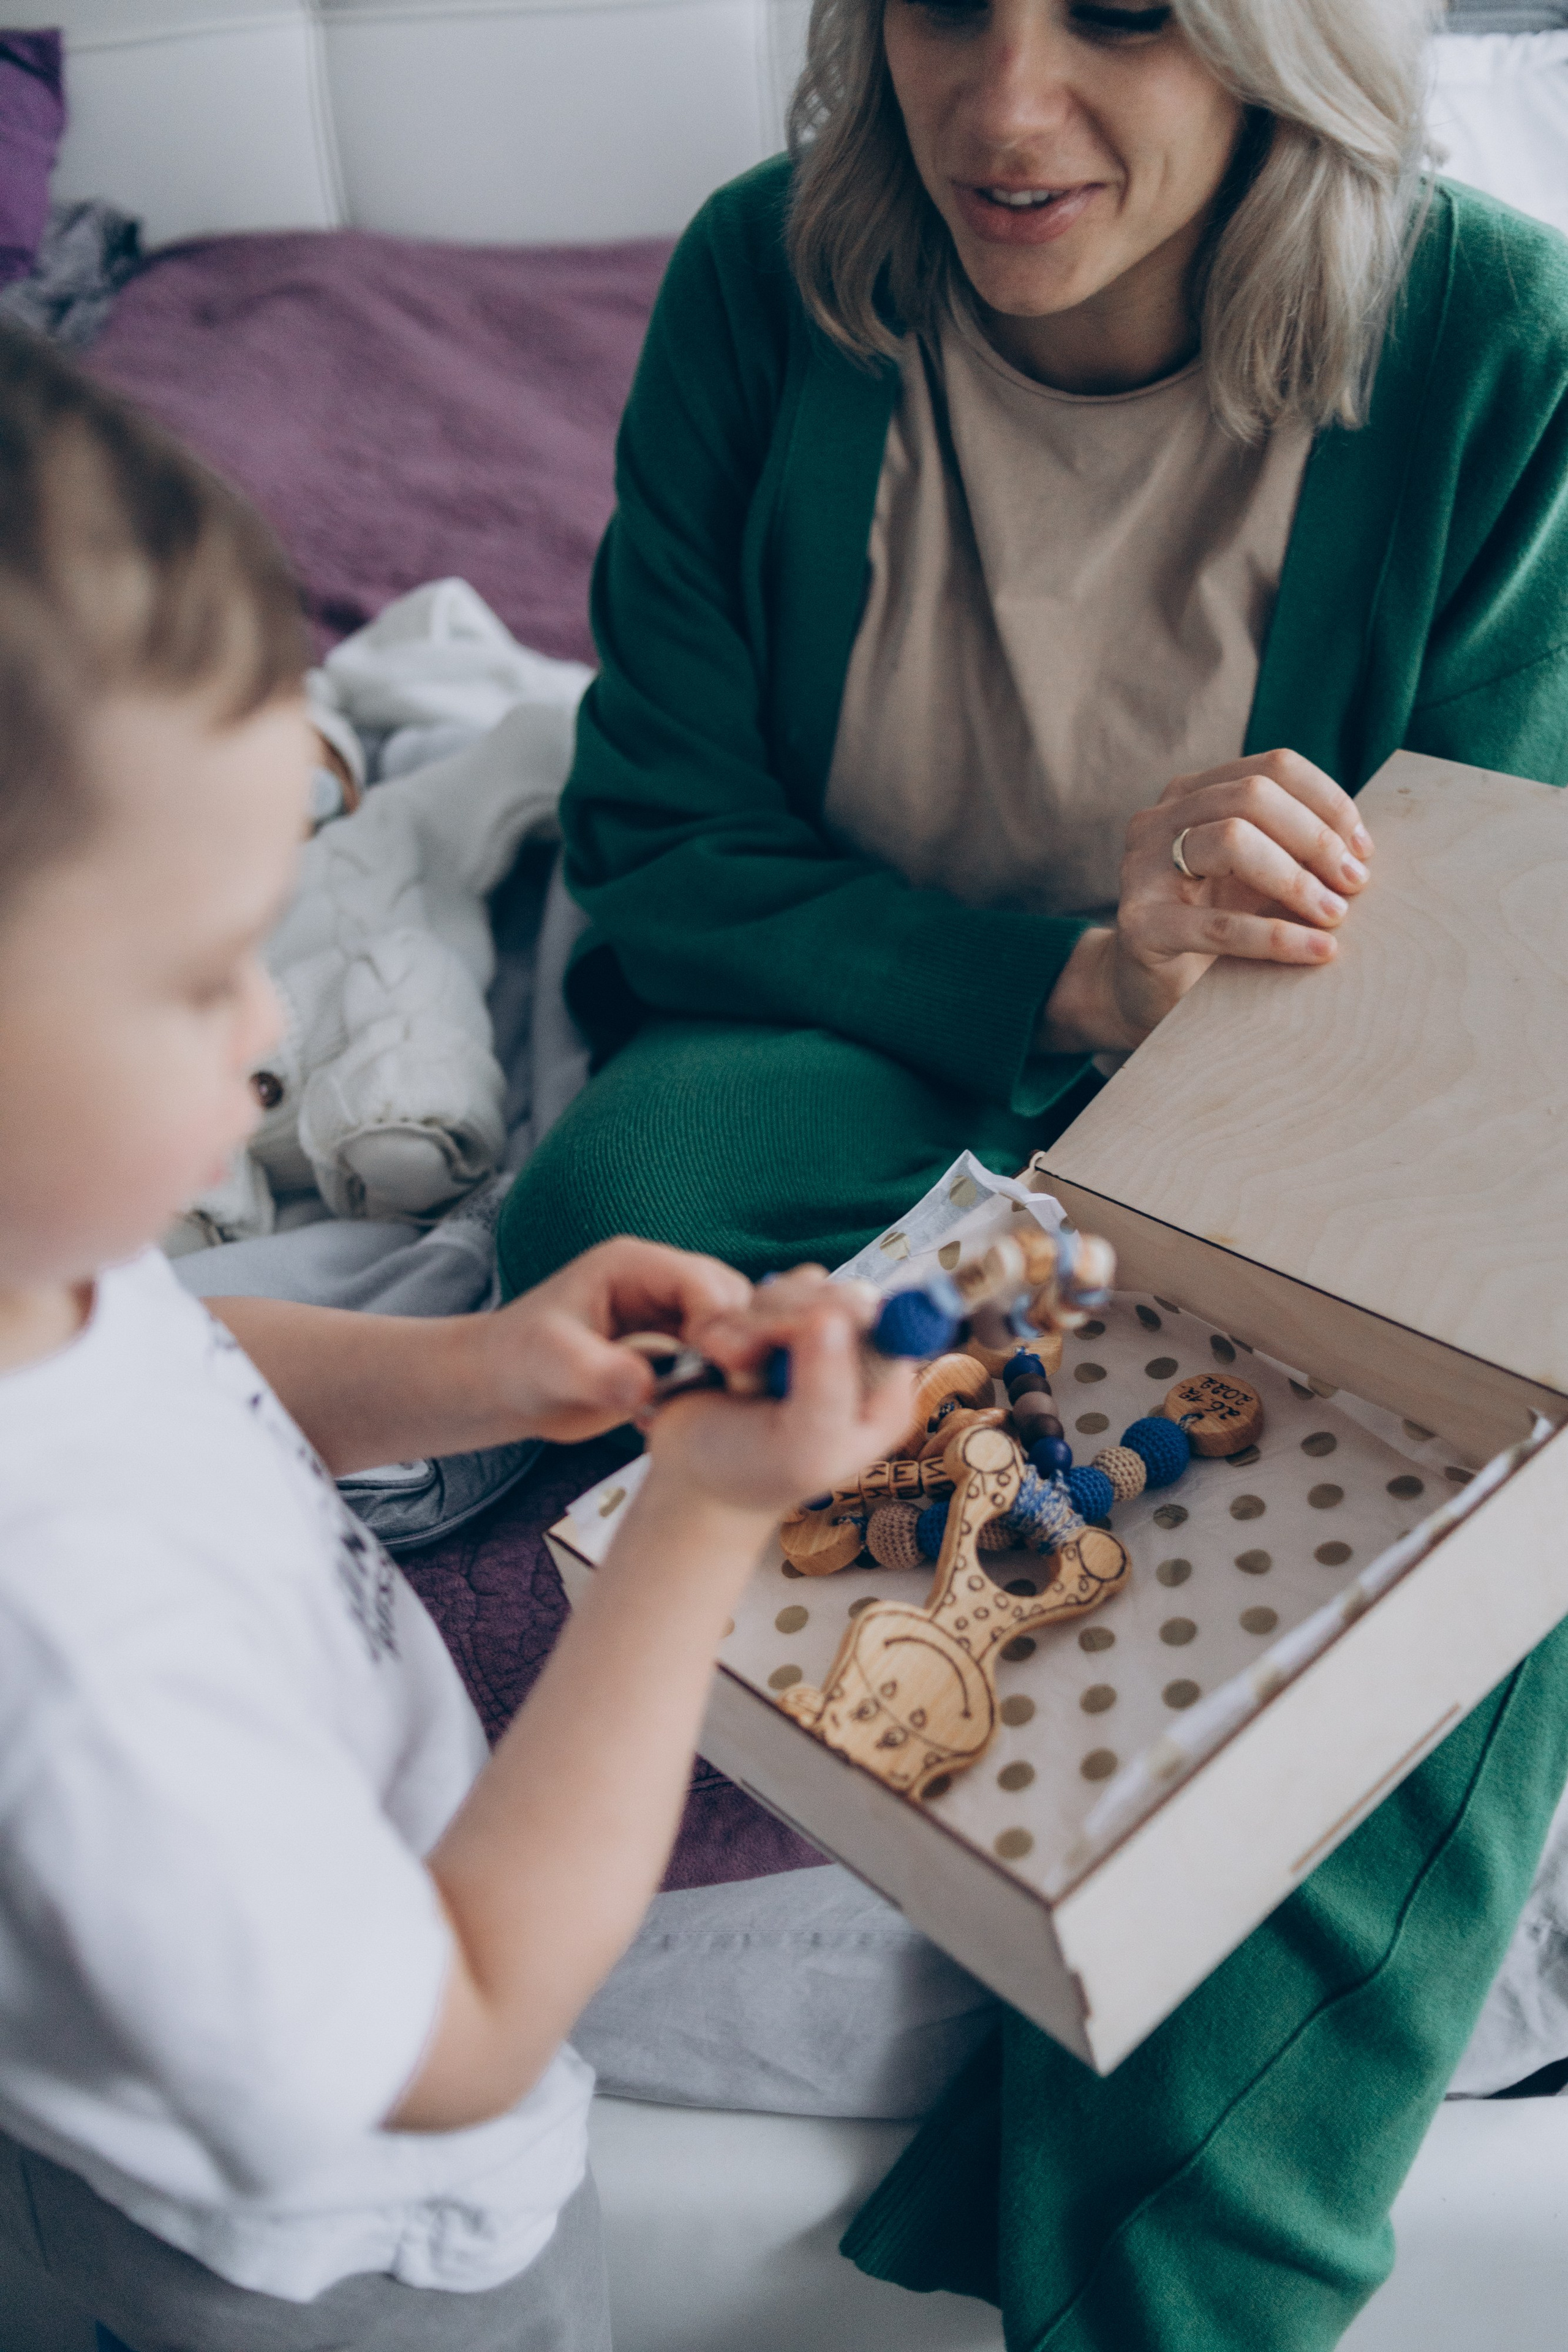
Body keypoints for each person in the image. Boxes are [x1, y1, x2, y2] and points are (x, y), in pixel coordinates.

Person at [490, 1, 1568, 2346]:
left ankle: (1182, 2273)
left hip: (1290, 1136)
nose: (999, 111)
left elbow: (1493, 1000)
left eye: (1123, 19)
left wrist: (1236, 1000)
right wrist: (1079, 981)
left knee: (1467, 1521)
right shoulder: (759, 282)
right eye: (937, 6)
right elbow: (662, 846)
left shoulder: (1498, 339)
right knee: (611, 1220)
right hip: (878, 1037)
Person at [0, 328, 914, 2351]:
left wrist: (483, 1370)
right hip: (361, 2256)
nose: (269, 1029)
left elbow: (182, 1360)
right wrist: (694, 1528)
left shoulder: (34, 1260)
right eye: (194, 974)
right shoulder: (70, 1675)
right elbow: (471, 2023)